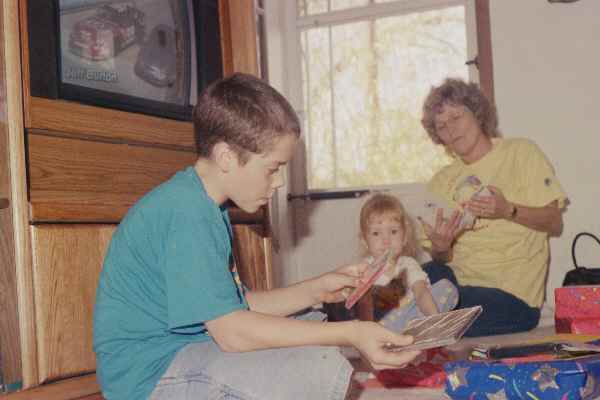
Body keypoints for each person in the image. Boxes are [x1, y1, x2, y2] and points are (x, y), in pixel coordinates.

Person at [93, 73, 420, 400]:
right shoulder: (185, 212)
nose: (278, 182)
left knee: (309, 322)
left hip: (187, 352)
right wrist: (350, 332)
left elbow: (237, 306)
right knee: (317, 366)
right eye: (272, 168)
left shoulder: (205, 206)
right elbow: (233, 332)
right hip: (149, 378)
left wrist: (317, 288)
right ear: (226, 157)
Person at [419, 77, 567, 337]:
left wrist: (508, 210)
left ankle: (421, 323)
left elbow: (554, 222)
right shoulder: (440, 182)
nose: (451, 129)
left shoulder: (521, 152)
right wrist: (442, 247)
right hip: (456, 285)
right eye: (441, 126)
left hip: (512, 297)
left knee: (434, 308)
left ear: (477, 113)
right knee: (422, 275)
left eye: (456, 117)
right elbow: (441, 259)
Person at [358, 193, 458, 331]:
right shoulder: (362, 268)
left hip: (411, 318)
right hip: (378, 322)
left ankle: (425, 327)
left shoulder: (408, 264)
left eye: (393, 232)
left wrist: (435, 319)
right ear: (365, 241)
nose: (386, 240)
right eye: (376, 233)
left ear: (404, 237)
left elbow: (421, 293)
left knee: (448, 287)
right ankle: (390, 329)